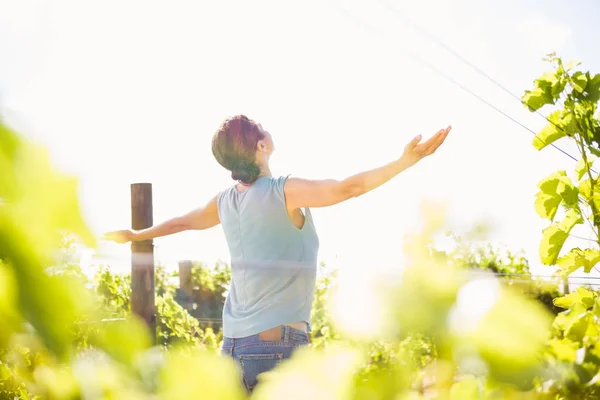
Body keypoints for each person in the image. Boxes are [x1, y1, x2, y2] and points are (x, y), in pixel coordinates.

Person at [104, 114, 451, 393]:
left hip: (233, 351)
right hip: (277, 349)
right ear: (262, 144)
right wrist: (405, 161)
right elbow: (349, 188)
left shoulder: (226, 200)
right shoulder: (283, 190)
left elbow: (182, 223)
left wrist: (137, 234)